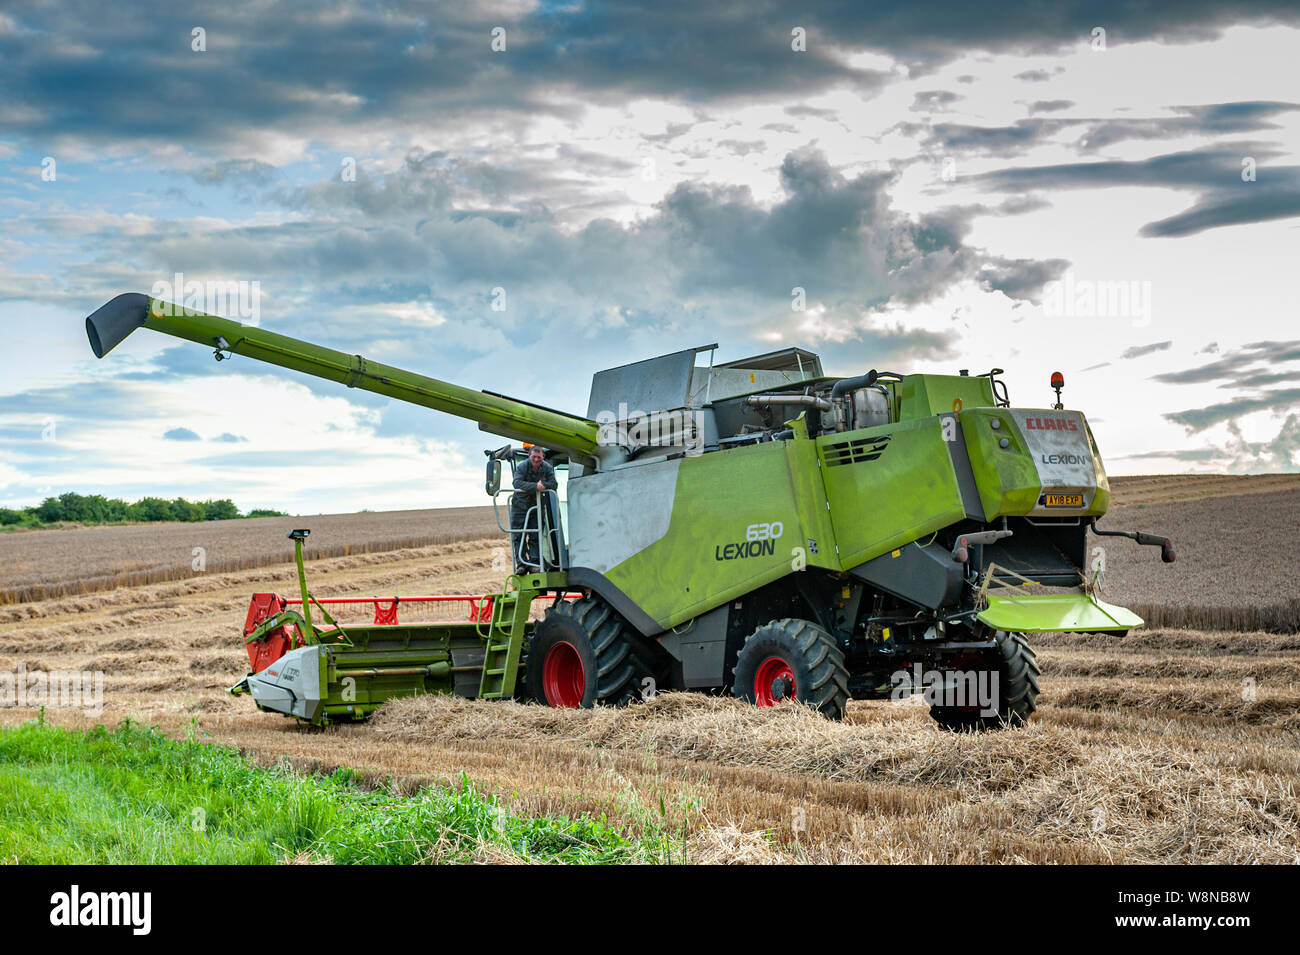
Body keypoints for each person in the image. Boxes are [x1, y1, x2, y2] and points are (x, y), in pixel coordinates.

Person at [510, 445, 557, 571]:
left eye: (539, 457)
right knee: (519, 535)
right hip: (520, 506)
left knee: (535, 534)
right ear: (529, 456)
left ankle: (534, 563)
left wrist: (544, 485)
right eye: (534, 457)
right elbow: (517, 482)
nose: (536, 460)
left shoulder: (546, 467)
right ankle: (521, 565)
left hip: (537, 505)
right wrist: (535, 486)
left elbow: (553, 484)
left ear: (543, 457)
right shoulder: (522, 466)